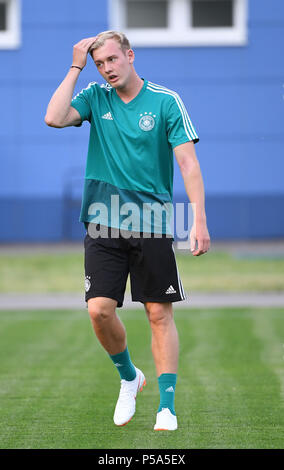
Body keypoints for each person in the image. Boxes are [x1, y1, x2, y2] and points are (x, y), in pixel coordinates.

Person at [45, 30, 210, 431]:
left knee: (158, 313)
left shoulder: (166, 101)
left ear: (130, 55)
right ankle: (129, 377)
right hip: (102, 220)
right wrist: (75, 66)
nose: (106, 70)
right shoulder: (93, 97)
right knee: (99, 310)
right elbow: (54, 117)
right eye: (100, 64)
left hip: (152, 223)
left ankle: (166, 406)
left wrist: (199, 220)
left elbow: (188, 164)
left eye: (112, 60)